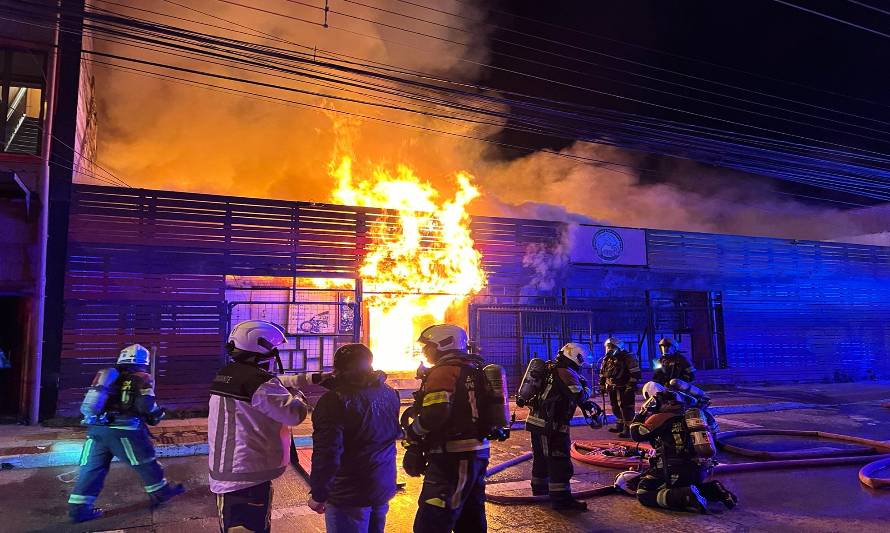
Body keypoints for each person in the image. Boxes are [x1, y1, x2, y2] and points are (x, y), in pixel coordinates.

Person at [209, 320, 309, 533]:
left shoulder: (230, 373)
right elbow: (294, 414)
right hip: (245, 478)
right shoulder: (258, 382)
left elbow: (271, 385)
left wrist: (308, 379)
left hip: (232, 472)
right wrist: (298, 396)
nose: (274, 355)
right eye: (273, 350)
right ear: (260, 347)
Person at [68, 344, 185, 523]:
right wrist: (157, 414)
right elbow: (145, 406)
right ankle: (160, 493)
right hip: (125, 431)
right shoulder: (142, 378)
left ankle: (79, 508)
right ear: (143, 362)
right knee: (146, 462)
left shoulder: (109, 376)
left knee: (92, 468)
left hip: (97, 430)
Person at [307, 343, 401, 533]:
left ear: (337, 367)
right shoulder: (389, 392)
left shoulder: (334, 401)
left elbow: (328, 452)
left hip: (348, 493)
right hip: (381, 485)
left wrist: (319, 493)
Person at [406, 324, 491, 533]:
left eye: (428, 346)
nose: (425, 351)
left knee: (434, 517)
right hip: (474, 451)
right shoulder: (472, 368)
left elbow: (435, 414)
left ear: (444, 344)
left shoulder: (444, 371)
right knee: (470, 514)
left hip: (453, 456)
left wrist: (412, 435)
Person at [628, 381, 738, 513]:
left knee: (643, 492)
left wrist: (642, 412)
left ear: (666, 404)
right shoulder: (697, 417)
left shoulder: (659, 418)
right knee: (688, 484)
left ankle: (686, 496)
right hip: (700, 470)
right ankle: (714, 489)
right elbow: (714, 436)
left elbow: (636, 434)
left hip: (674, 470)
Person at [524, 343, 594, 511]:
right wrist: (587, 387)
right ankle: (561, 500)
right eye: (581, 360)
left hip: (538, 422)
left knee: (541, 458)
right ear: (575, 357)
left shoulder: (550, 367)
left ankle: (540, 489)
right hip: (551, 426)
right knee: (559, 461)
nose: (581, 364)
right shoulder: (566, 372)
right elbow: (579, 395)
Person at [598, 338, 641, 438]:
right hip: (612, 386)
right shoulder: (607, 359)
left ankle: (629, 429)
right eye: (608, 347)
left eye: (612, 346)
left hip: (624, 387)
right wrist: (602, 384)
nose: (609, 349)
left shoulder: (628, 357)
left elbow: (635, 373)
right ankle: (620, 425)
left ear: (619, 347)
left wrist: (630, 386)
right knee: (615, 406)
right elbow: (602, 373)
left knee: (626, 407)